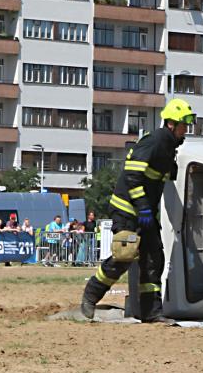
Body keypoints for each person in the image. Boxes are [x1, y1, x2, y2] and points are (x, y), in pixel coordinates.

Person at [78, 98, 195, 321]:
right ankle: (90, 296)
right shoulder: (154, 141)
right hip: (128, 210)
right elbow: (132, 175)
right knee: (125, 255)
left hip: (146, 214)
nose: (186, 129)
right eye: (183, 124)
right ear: (171, 123)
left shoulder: (169, 146)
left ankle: (152, 313)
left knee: (154, 260)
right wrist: (143, 208)